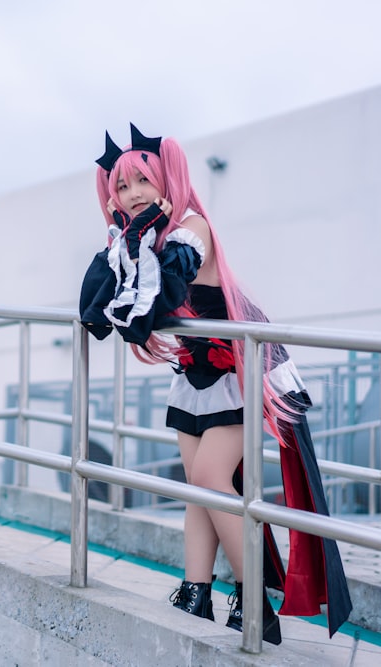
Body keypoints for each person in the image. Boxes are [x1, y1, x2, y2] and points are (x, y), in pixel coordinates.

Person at [79, 124, 352, 644]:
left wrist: (133, 248)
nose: (132, 193)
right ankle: (195, 590)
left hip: (244, 369)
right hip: (195, 372)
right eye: (121, 186)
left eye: (142, 180)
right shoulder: (137, 238)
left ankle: (255, 600)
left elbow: (166, 283)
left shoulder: (190, 227)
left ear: (165, 180)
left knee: (209, 476)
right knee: (197, 487)